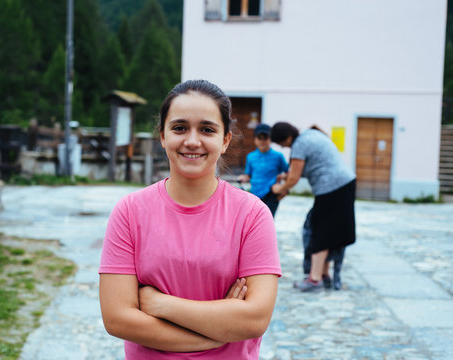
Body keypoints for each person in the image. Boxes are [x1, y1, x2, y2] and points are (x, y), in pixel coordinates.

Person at [99, 79, 282, 359]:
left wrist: (159, 304)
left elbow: (255, 319)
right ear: (162, 136)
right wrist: (215, 334)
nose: (192, 140)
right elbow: (117, 319)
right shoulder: (129, 212)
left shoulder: (252, 215)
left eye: (207, 129)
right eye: (180, 128)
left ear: (225, 140)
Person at [270, 122, 356, 292]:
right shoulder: (311, 134)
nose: (284, 147)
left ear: (287, 137)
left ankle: (314, 280)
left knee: (318, 230)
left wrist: (279, 189)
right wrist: (286, 178)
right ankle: (324, 275)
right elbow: (301, 170)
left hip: (331, 187)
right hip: (345, 184)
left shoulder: (300, 144)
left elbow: (293, 178)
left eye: (282, 144)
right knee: (330, 231)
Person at [237, 123, 289, 217]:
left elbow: (288, 172)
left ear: (270, 139)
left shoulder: (278, 156)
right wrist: (243, 178)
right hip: (255, 194)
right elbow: (249, 175)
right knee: (254, 220)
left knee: (267, 219)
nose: (262, 141)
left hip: (271, 194)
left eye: (265, 138)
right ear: (255, 139)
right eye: (259, 138)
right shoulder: (251, 157)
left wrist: (284, 186)